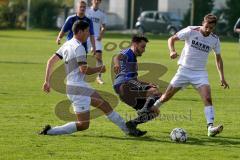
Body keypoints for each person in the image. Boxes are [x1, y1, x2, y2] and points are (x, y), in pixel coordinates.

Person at [40, 20, 145, 137]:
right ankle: (50, 131)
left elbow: (51, 61)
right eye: (87, 31)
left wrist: (46, 81)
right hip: (78, 89)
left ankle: (129, 130)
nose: (89, 34)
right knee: (83, 125)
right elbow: (83, 69)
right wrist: (99, 69)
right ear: (80, 31)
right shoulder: (78, 47)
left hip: (76, 86)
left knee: (105, 105)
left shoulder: (67, 44)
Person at [153, 14, 229, 137]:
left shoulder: (214, 39)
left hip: (200, 73)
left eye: (211, 28)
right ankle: (150, 110)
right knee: (165, 97)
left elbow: (218, 58)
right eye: (206, 27)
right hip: (184, 70)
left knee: (208, 98)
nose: (208, 30)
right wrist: (172, 51)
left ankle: (210, 128)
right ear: (203, 23)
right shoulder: (191, 30)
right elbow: (171, 39)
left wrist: (222, 77)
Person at [113, 35, 161, 134]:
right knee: (154, 92)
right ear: (135, 44)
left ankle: (132, 124)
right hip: (124, 84)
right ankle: (143, 110)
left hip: (128, 91)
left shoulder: (133, 58)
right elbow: (118, 56)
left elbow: (134, 80)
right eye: (142, 46)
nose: (144, 50)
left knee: (155, 112)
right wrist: (117, 63)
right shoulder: (128, 53)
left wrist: (148, 84)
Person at [86, 0, 107, 84]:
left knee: (99, 57)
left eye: (98, 0)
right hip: (86, 37)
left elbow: (104, 27)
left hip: (96, 38)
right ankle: (79, 75)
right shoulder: (87, 11)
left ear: (100, 2)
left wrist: (101, 35)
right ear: (92, 1)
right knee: (81, 56)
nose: (97, 1)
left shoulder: (102, 14)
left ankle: (99, 77)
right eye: (95, 0)